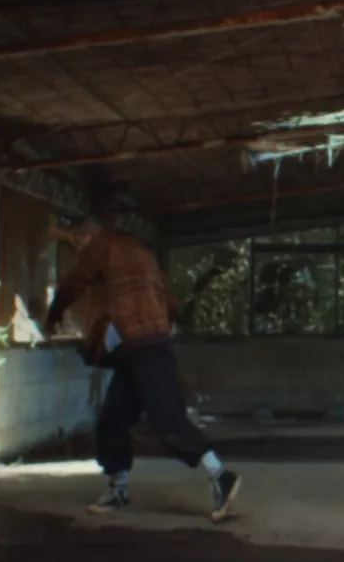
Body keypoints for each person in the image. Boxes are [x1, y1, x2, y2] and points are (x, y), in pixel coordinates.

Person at [45, 215, 242, 522]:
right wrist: (162, 327)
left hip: (145, 347)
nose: (77, 251)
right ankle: (118, 490)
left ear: (85, 237)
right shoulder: (143, 254)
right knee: (112, 420)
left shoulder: (101, 247)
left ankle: (221, 476)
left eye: (76, 244)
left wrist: (53, 314)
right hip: (136, 350)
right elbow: (171, 301)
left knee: (167, 420)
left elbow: (74, 283)